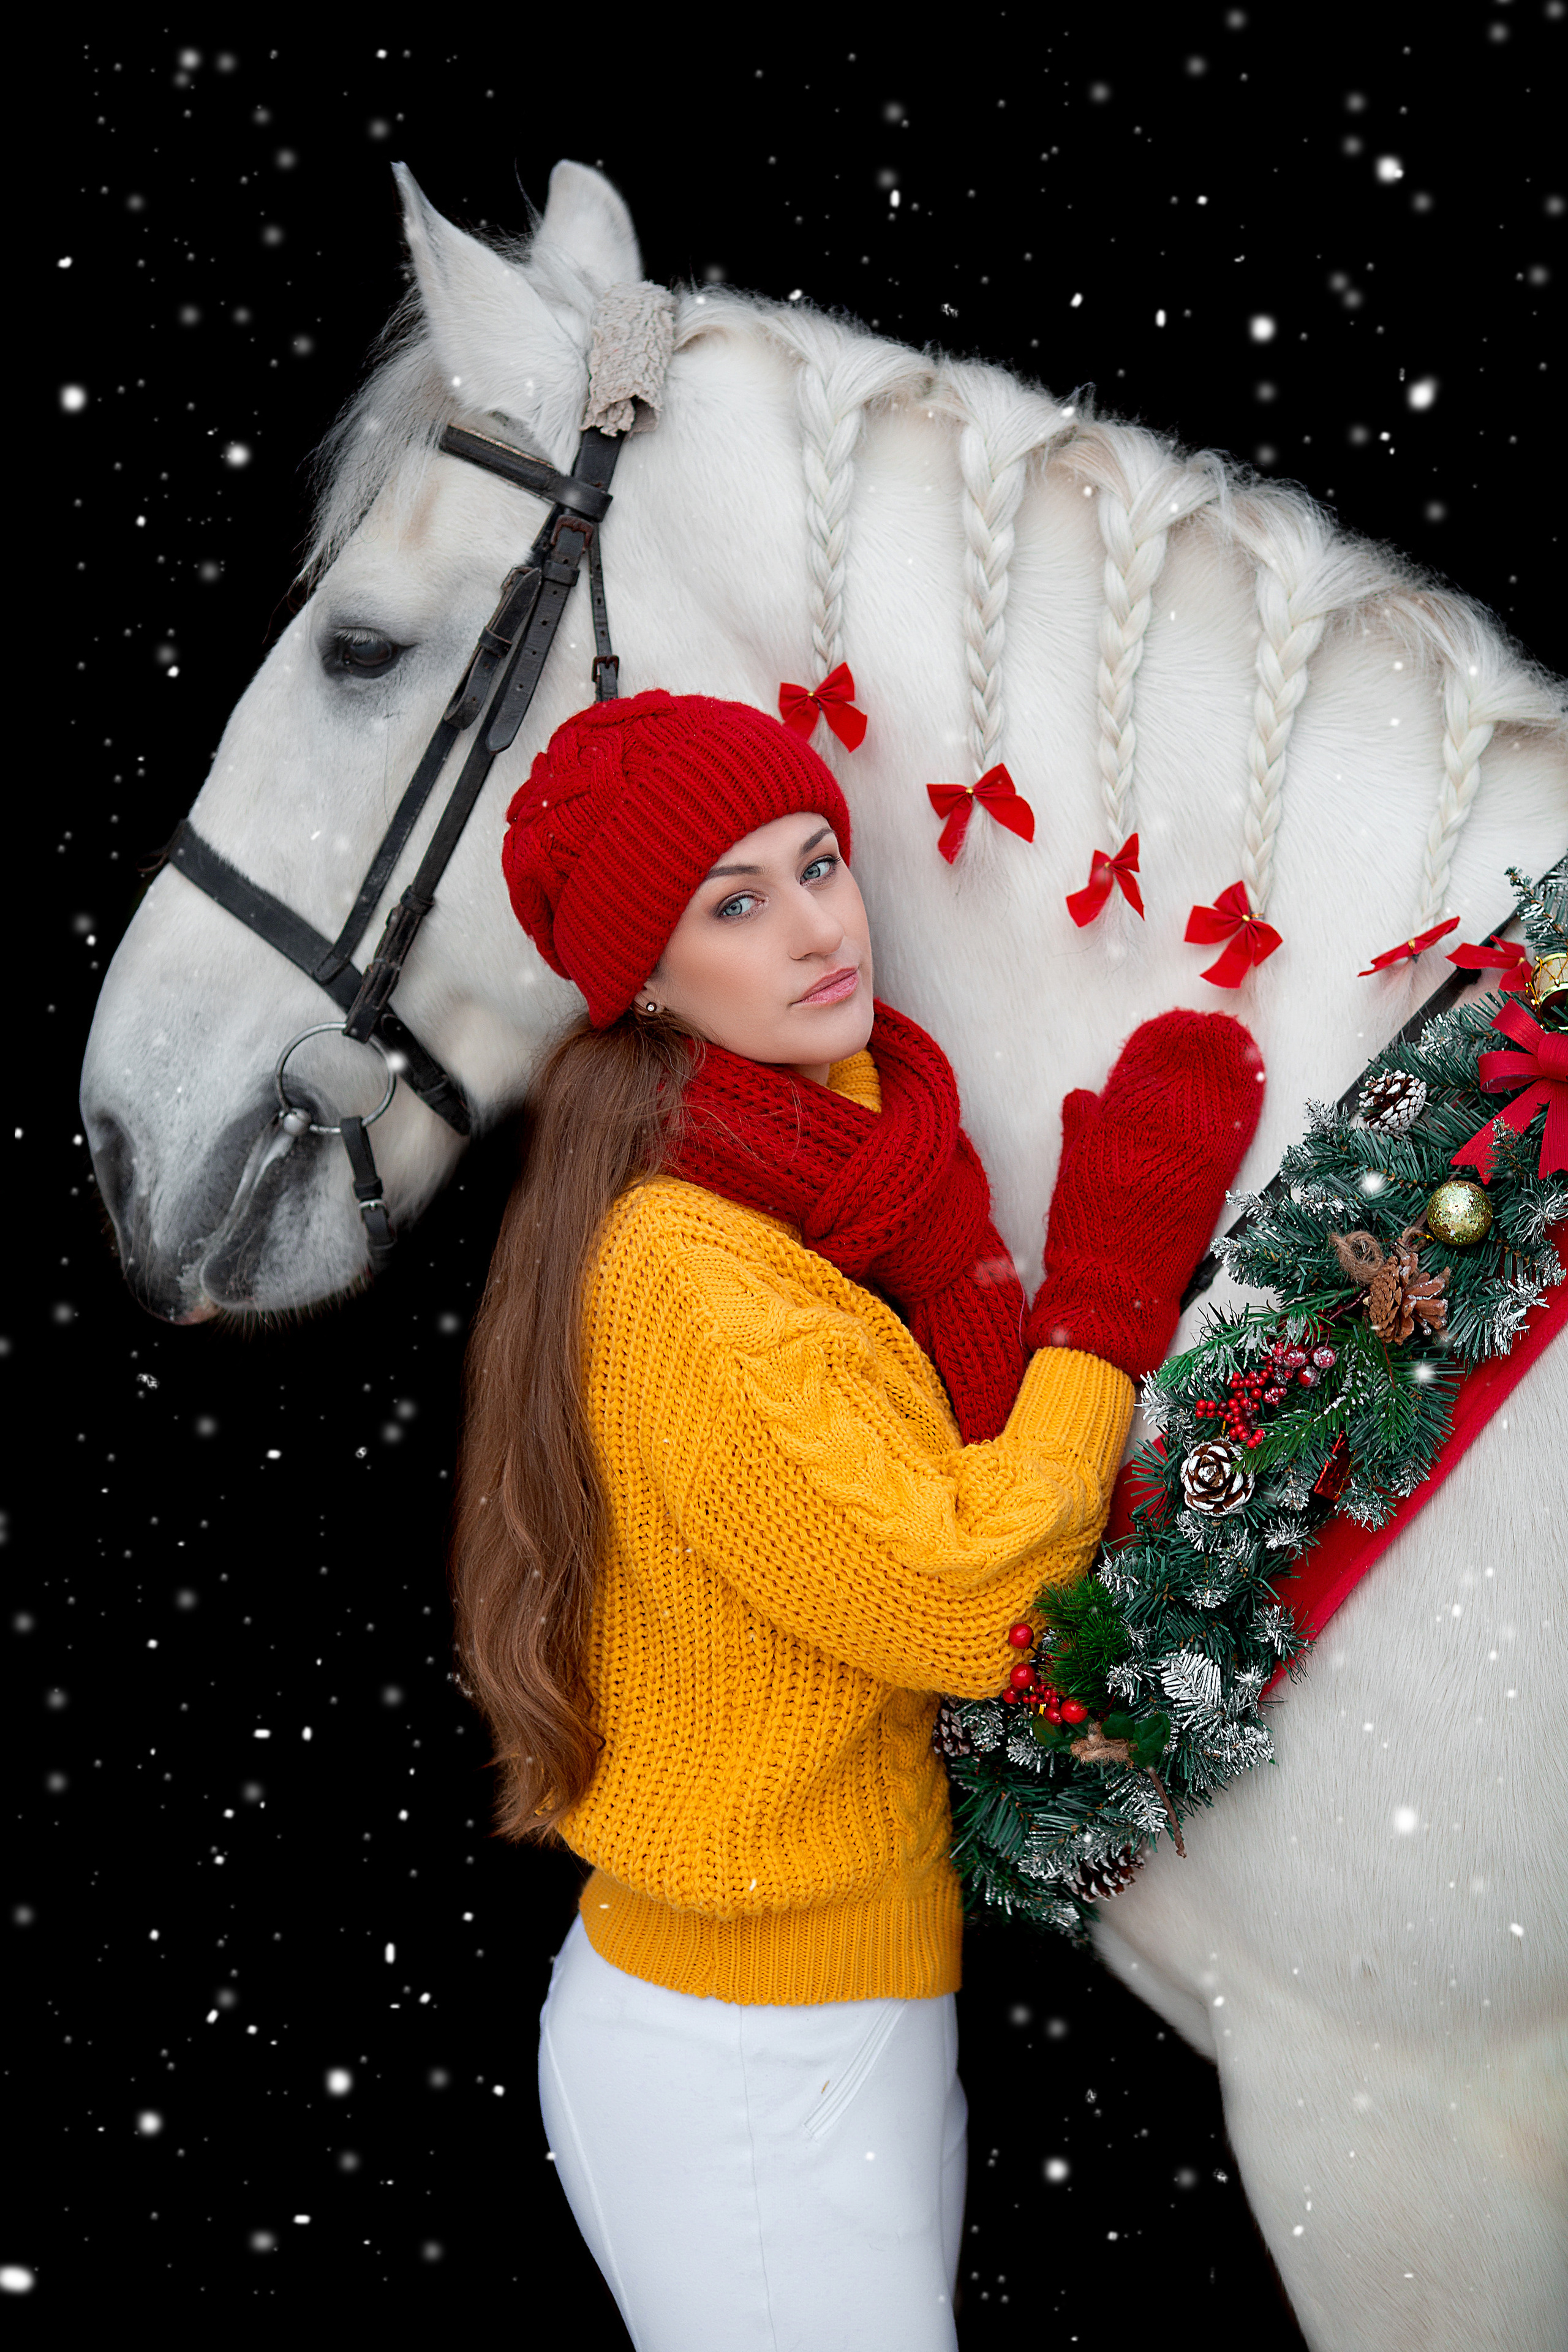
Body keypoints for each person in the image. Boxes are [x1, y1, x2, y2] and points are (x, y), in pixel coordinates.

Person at [451, 690, 1263, 2351]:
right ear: (651, 982)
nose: (820, 925)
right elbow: (968, 1602)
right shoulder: (689, 1274)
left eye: (818, 862)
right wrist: (1103, 1300)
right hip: (741, 2049)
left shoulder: (850, 1177)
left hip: (838, 2004)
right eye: (734, 904)